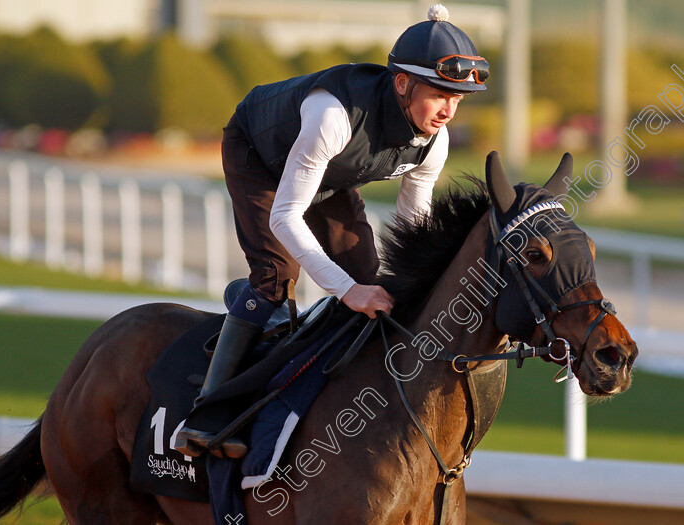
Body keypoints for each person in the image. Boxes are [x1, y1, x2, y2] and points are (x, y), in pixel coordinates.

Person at [175, 4, 489, 458]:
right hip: (258, 155)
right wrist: (344, 291)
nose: (448, 112)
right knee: (277, 274)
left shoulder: (432, 141)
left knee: (370, 273)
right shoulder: (332, 116)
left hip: (323, 174)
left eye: (457, 100)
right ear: (402, 83)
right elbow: (285, 216)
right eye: (440, 95)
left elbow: (412, 226)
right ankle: (208, 413)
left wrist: (402, 285)